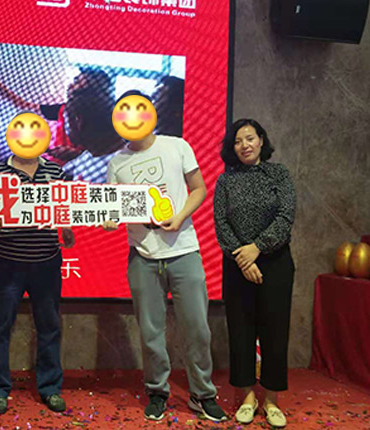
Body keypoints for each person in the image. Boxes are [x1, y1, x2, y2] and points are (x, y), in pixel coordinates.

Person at [102, 91, 227, 422]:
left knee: (197, 328)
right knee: (150, 332)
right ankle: (157, 391)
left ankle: (203, 394)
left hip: (184, 250)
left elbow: (199, 188)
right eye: (124, 111)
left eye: (138, 109)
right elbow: (112, 208)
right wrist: (109, 219)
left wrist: (180, 216)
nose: (132, 116)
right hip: (142, 256)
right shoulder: (116, 162)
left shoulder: (177, 146)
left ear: (151, 112)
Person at [213, 119, 296, 428]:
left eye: (250, 138)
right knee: (241, 330)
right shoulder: (225, 181)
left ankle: (272, 399)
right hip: (237, 265)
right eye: (238, 141)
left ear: (261, 140)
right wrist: (244, 259)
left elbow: (285, 216)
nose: (244, 145)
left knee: (275, 331)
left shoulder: (279, 174)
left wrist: (257, 248)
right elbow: (221, 223)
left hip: (275, 263)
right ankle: (247, 397)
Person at [0, 147, 75, 415]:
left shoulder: (55, 171)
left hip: (46, 261)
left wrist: (67, 229)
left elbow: (63, 209)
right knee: (0, 327)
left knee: (49, 326)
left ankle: (50, 387)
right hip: (8, 262)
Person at [0, 59, 122, 173]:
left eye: (78, 83)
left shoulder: (100, 154)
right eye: (75, 80)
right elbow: (23, 104)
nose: (71, 85)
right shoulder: (64, 109)